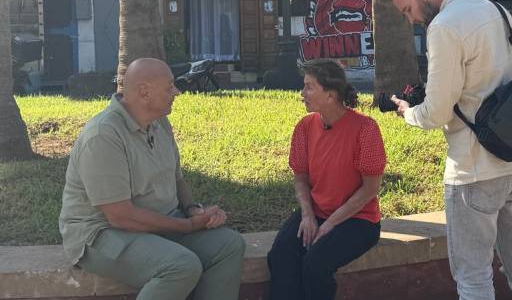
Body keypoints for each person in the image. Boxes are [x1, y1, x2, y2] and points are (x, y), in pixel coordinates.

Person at [385, 0, 512, 300]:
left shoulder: (444, 26)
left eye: (407, 10)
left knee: (473, 277)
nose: (411, 20)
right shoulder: (495, 10)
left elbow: (437, 112)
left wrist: (409, 112)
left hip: (474, 170)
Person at [59, 58, 245, 300]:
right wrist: (188, 226)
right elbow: (120, 216)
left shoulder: (159, 123)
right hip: (102, 234)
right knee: (180, 266)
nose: (176, 92)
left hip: (159, 223)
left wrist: (193, 210)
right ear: (144, 92)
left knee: (229, 245)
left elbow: (177, 179)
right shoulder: (103, 136)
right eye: (169, 86)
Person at [267, 59, 386, 300]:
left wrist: (330, 224)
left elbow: (370, 189)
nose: (302, 93)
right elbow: (300, 178)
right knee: (280, 255)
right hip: (316, 212)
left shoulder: (365, 128)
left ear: (331, 95)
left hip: (358, 220)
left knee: (315, 265)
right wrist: (307, 215)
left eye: (309, 87)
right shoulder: (305, 126)